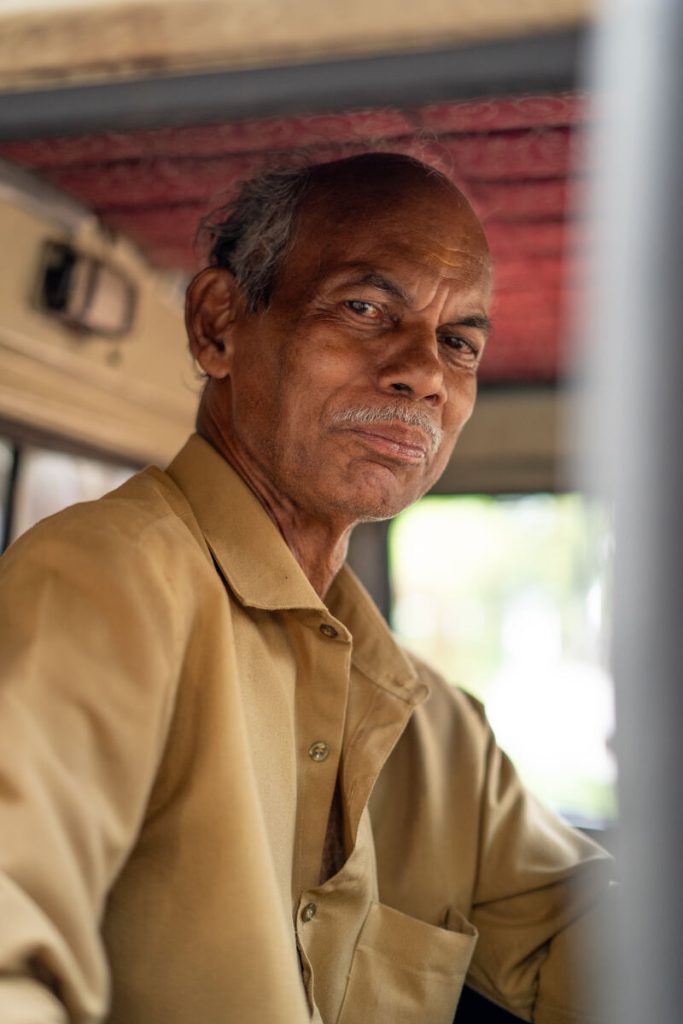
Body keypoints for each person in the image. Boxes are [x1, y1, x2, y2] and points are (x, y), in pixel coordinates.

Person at [0, 153, 614, 1024]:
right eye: (366, 309)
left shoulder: (436, 729)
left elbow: (582, 929)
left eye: (458, 341)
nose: (425, 374)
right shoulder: (104, 582)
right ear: (217, 325)